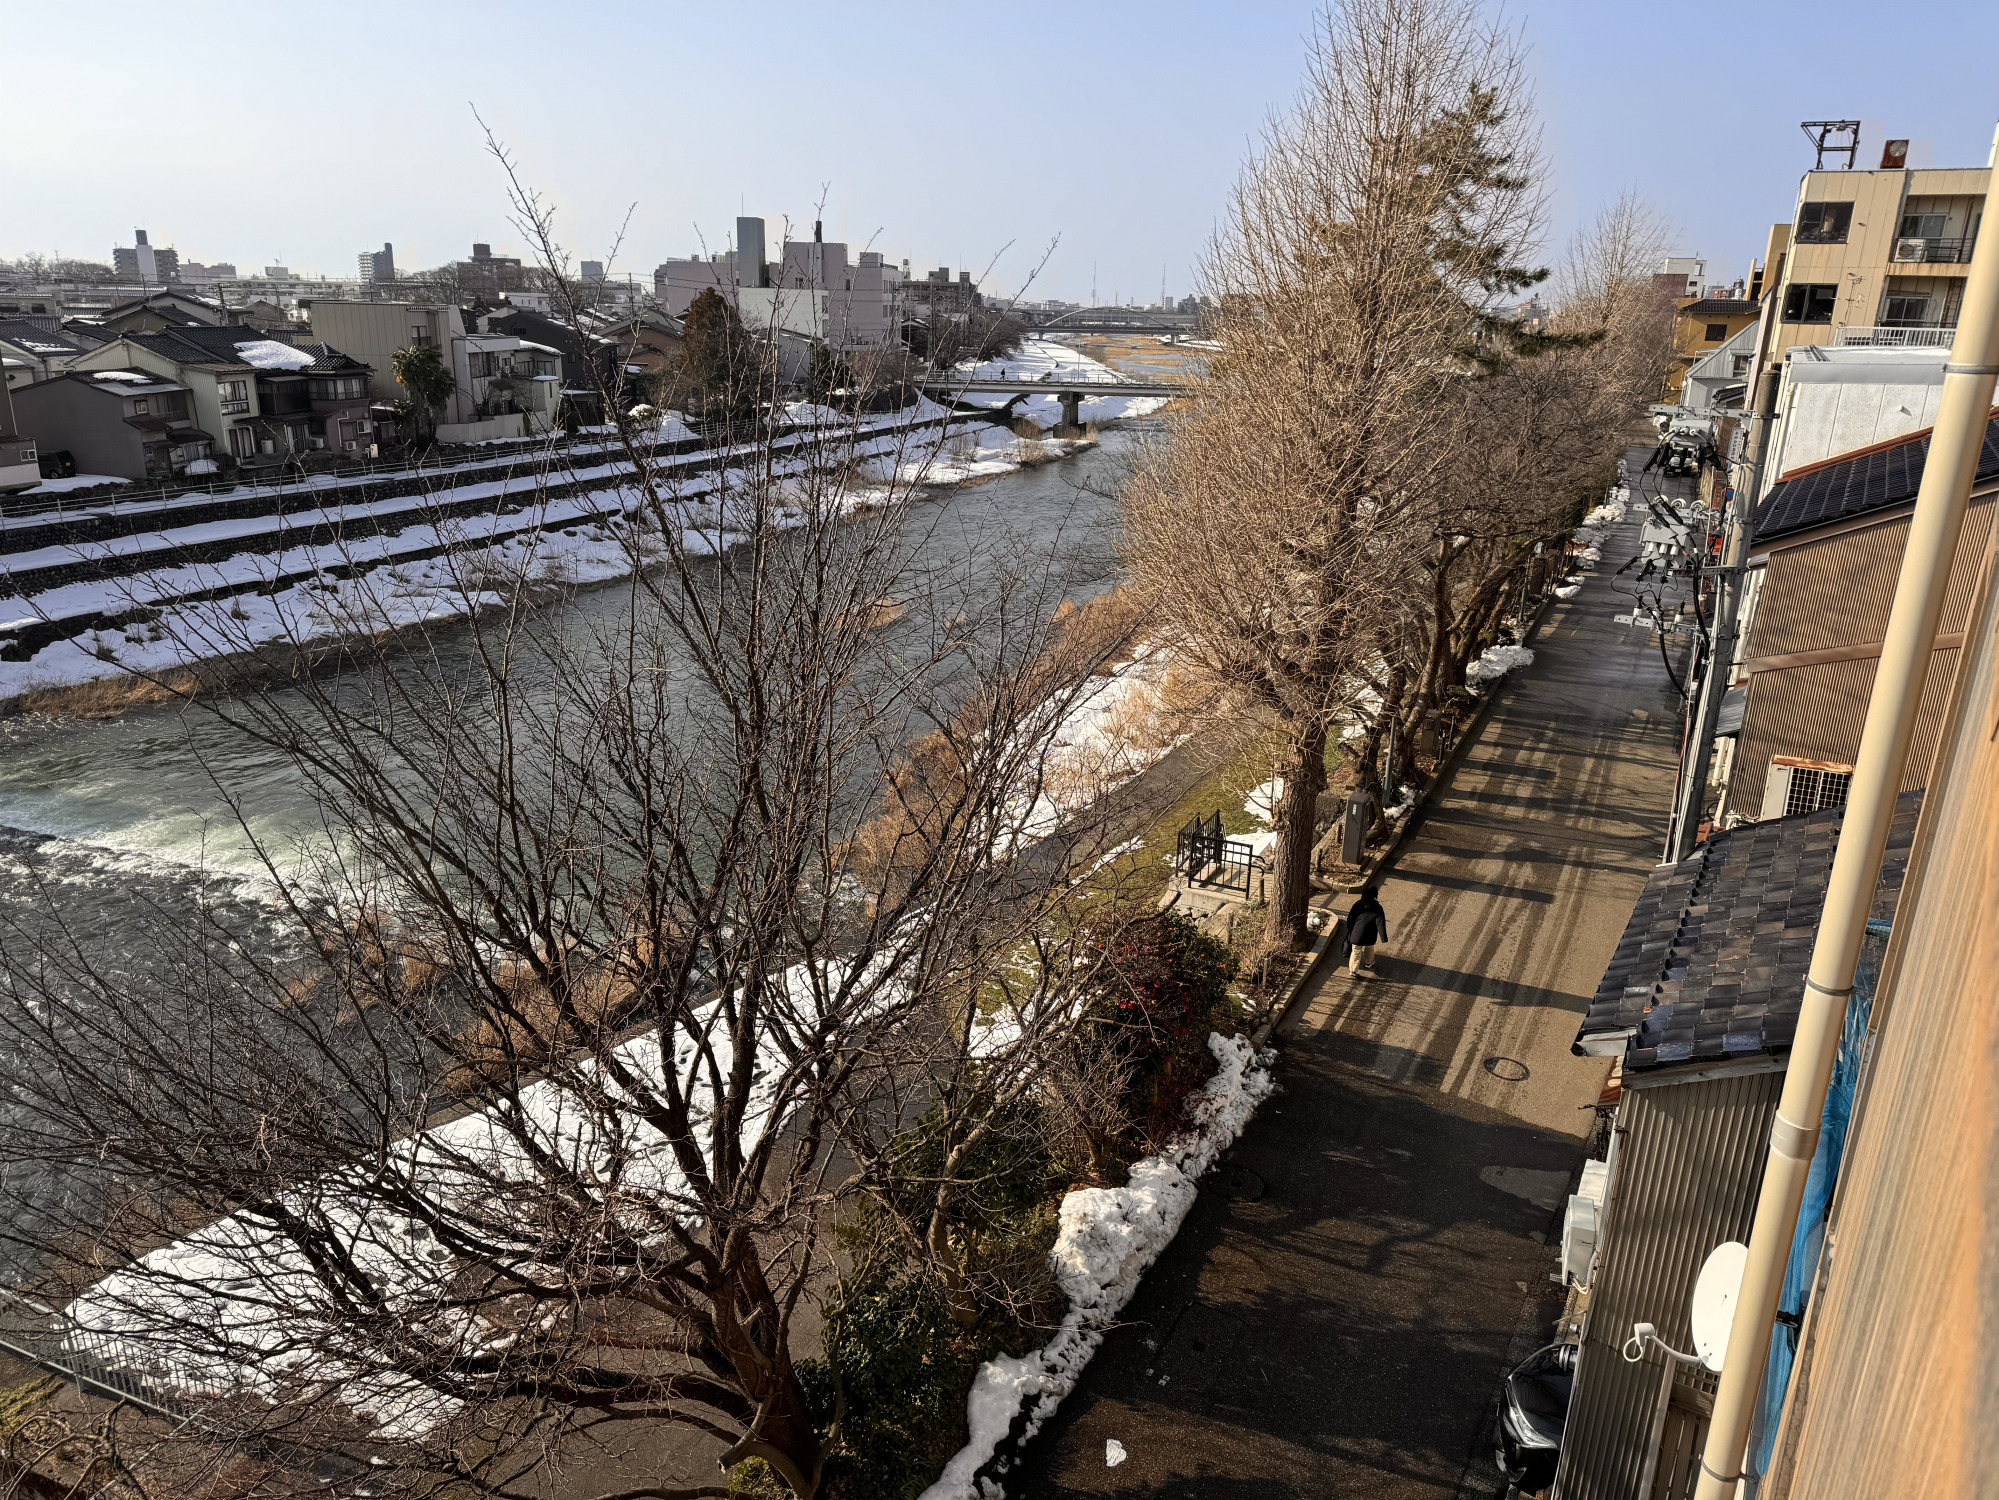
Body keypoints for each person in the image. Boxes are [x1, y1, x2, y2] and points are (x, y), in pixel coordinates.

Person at [1346, 885, 1388, 976]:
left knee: (1356, 950)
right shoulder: (1378, 908)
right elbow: (1380, 923)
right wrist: (1383, 937)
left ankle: (1353, 970)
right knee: (1369, 947)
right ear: (1375, 895)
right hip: (1370, 934)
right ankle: (1369, 962)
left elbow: (1350, 918)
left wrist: (1350, 928)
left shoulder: (1358, 905)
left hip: (1357, 934)